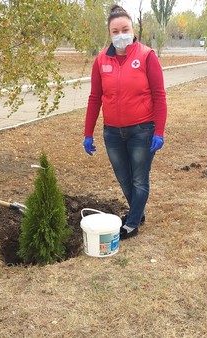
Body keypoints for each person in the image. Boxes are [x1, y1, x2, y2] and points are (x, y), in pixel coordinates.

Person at [83, 5, 167, 240]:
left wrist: (158, 131)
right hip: (112, 133)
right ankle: (137, 212)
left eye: (125, 29)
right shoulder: (101, 61)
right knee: (124, 178)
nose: (121, 35)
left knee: (139, 178)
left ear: (132, 29)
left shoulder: (146, 56)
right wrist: (88, 133)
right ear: (109, 34)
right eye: (115, 31)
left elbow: (159, 96)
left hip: (142, 130)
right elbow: (94, 98)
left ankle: (132, 223)